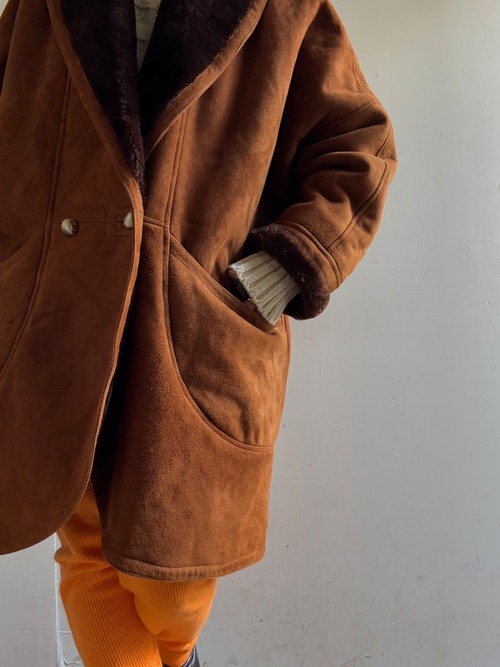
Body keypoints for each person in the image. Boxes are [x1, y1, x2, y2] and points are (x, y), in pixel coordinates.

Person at [0, 0, 397, 665]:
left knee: (173, 574)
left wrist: (290, 262)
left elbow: (361, 145)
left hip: (193, 329)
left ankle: (180, 655)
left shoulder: (285, 10)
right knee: (87, 544)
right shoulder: (42, 8)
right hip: (63, 318)